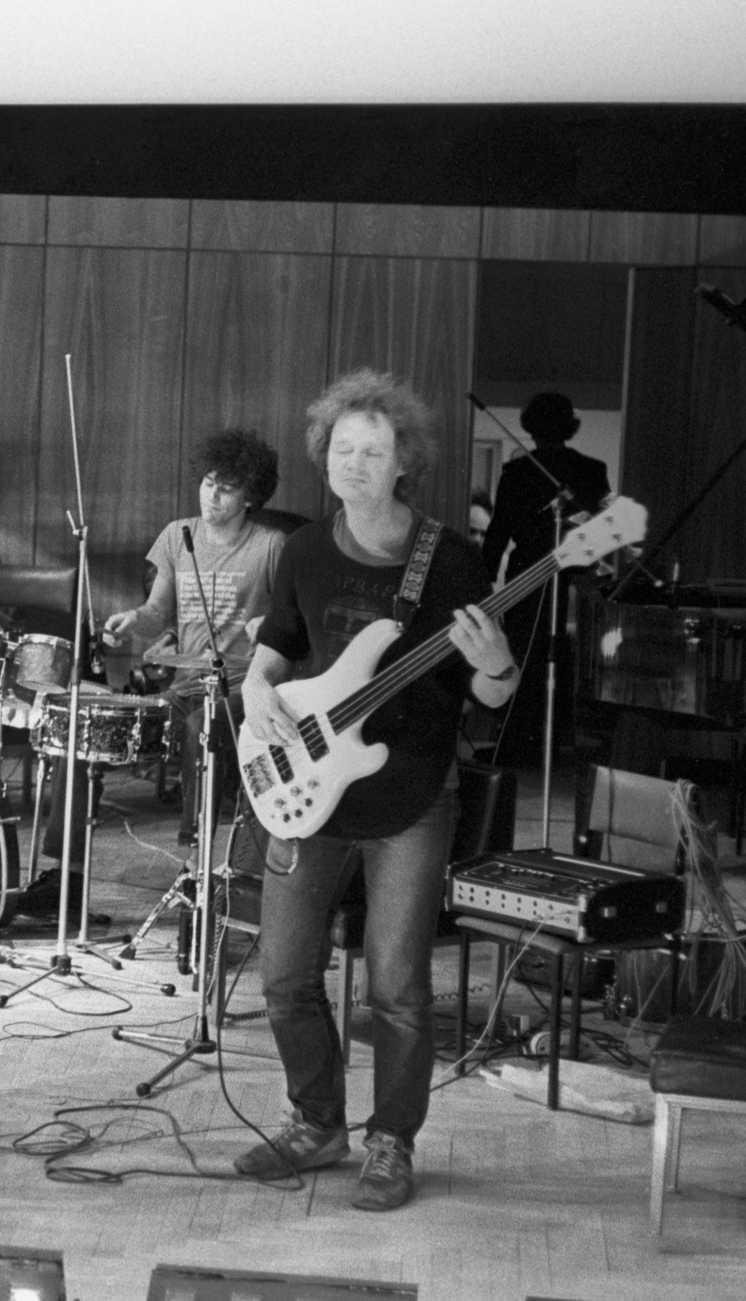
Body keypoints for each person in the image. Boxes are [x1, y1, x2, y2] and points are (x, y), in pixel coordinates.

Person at [237, 370, 519, 1212]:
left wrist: (497, 661)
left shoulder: (451, 559)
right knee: (284, 974)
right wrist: (255, 687)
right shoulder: (303, 549)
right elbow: (276, 647)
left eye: (373, 451)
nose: (353, 464)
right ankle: (314, 1121)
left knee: (396, 988)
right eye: (342, 448)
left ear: (404, 464)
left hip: (411, 799)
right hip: (308, 787)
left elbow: (491, 694)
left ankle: (391, 1139)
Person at [101, 429, 286, 846]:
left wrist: (268, 625)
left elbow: (292, 621)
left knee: (204, 724)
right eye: (207, 483)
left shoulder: (272, 545)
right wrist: (132, 620)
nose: (211, 496)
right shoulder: (177, 535)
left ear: (251, 498)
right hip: (186, 687)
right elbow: (155, 613)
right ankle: (66, 864)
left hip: (240, 689)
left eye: (226, 489)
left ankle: (193, 853)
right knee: (98, 721)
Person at [480, 392, 611, 767]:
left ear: (531, 427)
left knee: (524, 654)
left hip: (528, 575)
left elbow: (499, 530)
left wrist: (483, 581)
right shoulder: (592, 469)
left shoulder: (518, 471)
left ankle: (518, 742)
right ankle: (555, 743)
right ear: (570, 426)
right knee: (562, 655)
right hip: (575, 574)